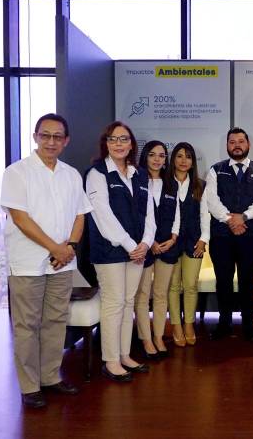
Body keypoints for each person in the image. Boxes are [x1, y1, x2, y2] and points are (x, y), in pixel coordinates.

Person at [1, 113, 92, 408]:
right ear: (35, 137)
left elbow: (80, 215)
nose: (50, 141)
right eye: (45, 135)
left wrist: (70, 247)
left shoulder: (71, 174)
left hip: (63, 262)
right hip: (28, 262)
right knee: (27, 325)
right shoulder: (17, 172)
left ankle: (51, 377)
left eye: (57, 137)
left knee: (56, 321)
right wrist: (55, 247)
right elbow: (20, 218)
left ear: (66, 141)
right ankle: (29, 386)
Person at [85, 121, 156, 382]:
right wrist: (130, 245)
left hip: (138, 250)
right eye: (113, 139)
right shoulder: (96, 174)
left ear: (131, 144)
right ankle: (111, 360)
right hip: (111, 251)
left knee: (128, 302)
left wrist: (146, 243)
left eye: (123, 139)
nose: (118, 144)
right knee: (114, 304)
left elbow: (149, 214)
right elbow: (103, 216)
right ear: (106, 143)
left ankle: (125, 355)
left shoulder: (139, 175)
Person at [206, 127, 253, 341]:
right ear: (227, 146)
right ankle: (224, 323)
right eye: (232, 142)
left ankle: (249, 325)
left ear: (248, 145)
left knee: (247, 281)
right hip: (222, 236)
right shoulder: (216, 170)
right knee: (223, 281)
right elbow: (211, 201)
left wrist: (245, 217)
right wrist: (231, 219)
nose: (237, 145)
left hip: (251, 235)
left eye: (241, 141)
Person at [134, 141, 179, 359]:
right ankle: (145, 338)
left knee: (161, 294)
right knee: (142, 295)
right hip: (145, 245)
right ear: (145, 157)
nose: (157, 159)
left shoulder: (171, 183)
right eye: (152, 155)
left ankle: (159, 336)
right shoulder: (136, 181)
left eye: (161, 155)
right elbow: (136, 216)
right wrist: (148, 241)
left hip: (167, 245)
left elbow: (177, 215)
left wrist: (173, 237)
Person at [167, 142, 209, 347]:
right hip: (171, 242)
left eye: (188, 157)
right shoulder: (164, 184)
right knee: (173, 286)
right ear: (173, 159)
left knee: (191, 285)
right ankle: (176, 325)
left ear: (193, 161)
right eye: (180, 156)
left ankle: (189, 324)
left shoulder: (200, 185)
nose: (184, 161)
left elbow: (205, 215)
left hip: (195, 241)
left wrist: (204, 239)